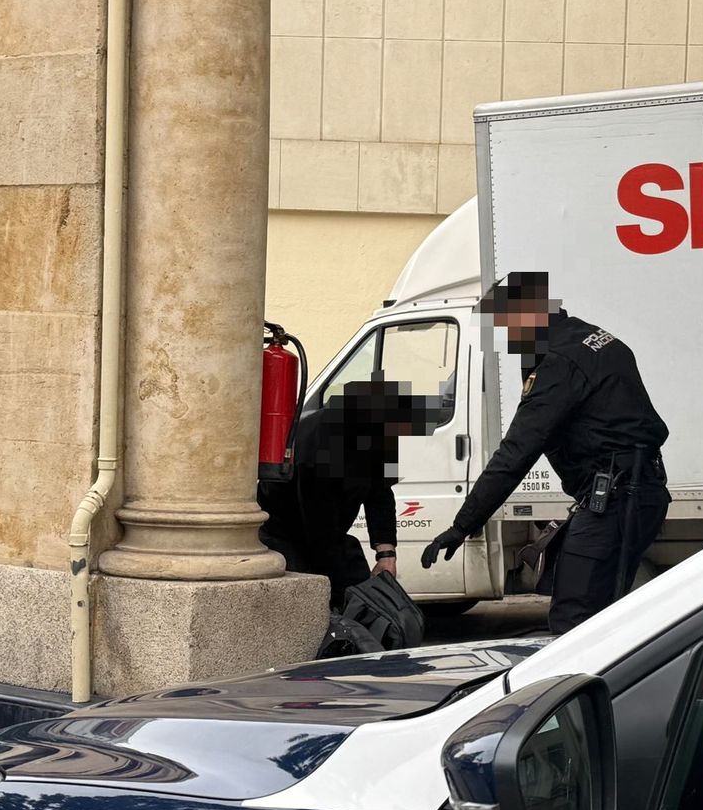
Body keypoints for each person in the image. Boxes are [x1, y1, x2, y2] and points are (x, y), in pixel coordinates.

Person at [422, 271, 670, 634]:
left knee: (572, 620)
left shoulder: (558, 362)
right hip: (635, 492)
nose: (507, 340)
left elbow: (517, 452)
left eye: (507, 327)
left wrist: (462, 526)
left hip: (617, 499)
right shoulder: (592, 337)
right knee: (603, 621)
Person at [259, 377, 442, 601]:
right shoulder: (317, 446)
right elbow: (318, 529)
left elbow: (381, 495)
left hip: (326, 531)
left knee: (352, 579)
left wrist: (386, 556)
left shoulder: (377, 436)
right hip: (285, 533)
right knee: (314, 590)